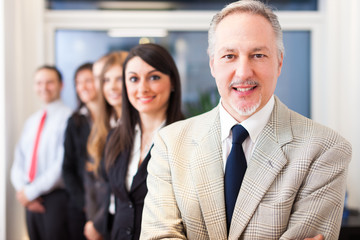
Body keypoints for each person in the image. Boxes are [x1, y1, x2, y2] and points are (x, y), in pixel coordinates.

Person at [140, 1, 352, 240]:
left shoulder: (325, 149)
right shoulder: (171, 143)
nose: (243, 72)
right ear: (213, 63)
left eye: (258, 55)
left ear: (279, 62)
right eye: (229, 55)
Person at [102, 43, 184, 240]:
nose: (142, 88)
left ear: (172, 82)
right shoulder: (116, 137)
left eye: (154, 77)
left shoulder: (187, 140)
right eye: (133, 79)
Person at [11, 65, 72, 240]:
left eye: (49, 82)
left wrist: (31, 193)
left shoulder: (69, 118)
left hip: (55, 199)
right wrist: (24, 192)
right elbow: (19, 160)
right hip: (29, 198)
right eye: (39, 83)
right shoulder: (32, 120)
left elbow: (62, 165)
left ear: (61, 85)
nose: (44, 87)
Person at [85, 51, 129, 240]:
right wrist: (96, 221)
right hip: (105, 220)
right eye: (106, 80)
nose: (112, 87)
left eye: (119, 79)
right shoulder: (106, 123)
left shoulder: (136, 128)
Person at [62, 62, 98, 240]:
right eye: (78, 82)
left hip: (108, 204)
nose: (82, 87)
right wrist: (83, 202)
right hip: (81, 205)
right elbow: (67, 166)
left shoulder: (116, 120)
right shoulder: (74, 121)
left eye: (88, 81)